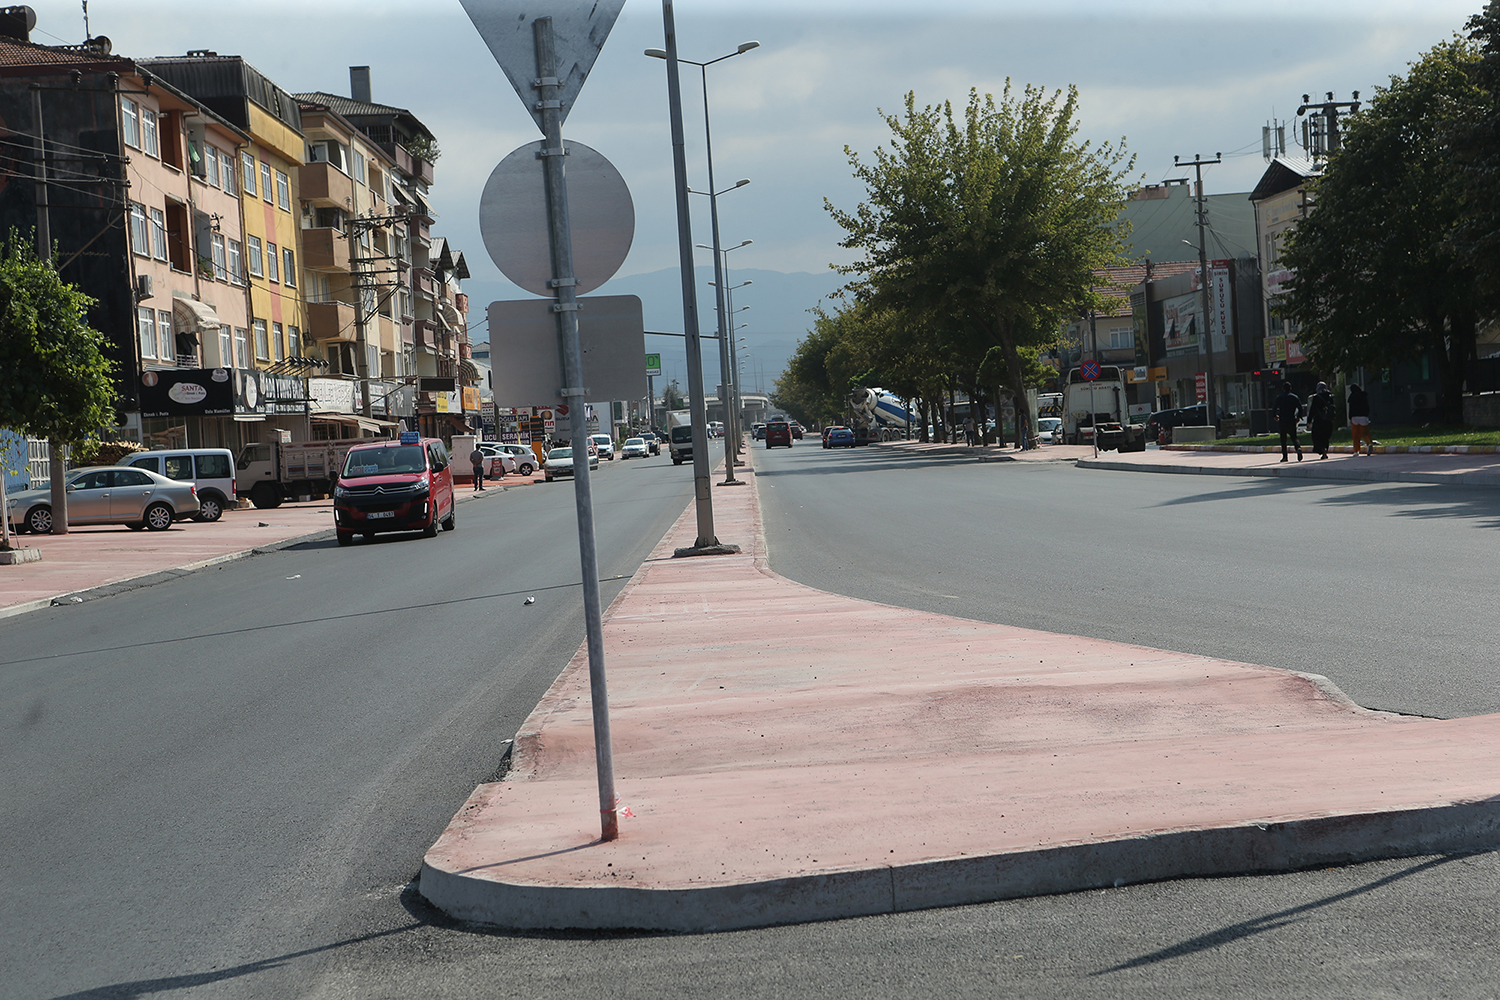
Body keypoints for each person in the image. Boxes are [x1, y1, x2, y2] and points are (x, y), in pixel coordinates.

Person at [1273, 380, 1304, 462]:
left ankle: (1285, 457)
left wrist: (1275, 416)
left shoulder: (1279, 397)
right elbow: (1300, 408)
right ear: (1290, 388)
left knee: (1283, 439)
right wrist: (1298, 417)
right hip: (1291, 419)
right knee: (1294, 437)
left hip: (1282, 420)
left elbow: (1274, 408)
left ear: (1283, 389)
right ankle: (1298, 448)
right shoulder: (1295, 397)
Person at [1307, 381, 1335, 459]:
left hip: (1319, 420)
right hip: (1328, 420)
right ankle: (1325, 448)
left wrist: (1309, 421)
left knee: (1317, 435)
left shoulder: (1317, 397)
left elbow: (1312, 410)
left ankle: (1321, 449)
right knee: (1326, 436)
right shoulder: (1330, 396)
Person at [1348, 383, 1372, 455]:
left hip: (1355, 417)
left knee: (1355, 435)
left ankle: (1356, 450)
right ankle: (1369, 443)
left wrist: (1350, 417)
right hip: (1363, 417)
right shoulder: (1364, 396)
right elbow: (1367, 407)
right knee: (1365, 433)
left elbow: (1351, 409)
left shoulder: (1352, 397)